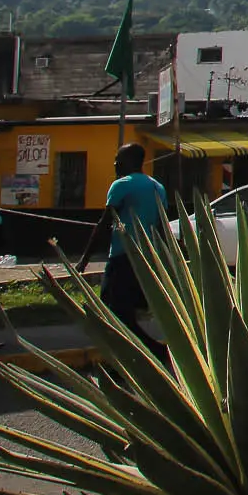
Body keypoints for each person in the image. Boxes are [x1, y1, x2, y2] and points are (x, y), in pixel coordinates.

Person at [78, 144, 169, 357]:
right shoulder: (158, 187)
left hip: (122, 258)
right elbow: (162, 227)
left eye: (118, 159)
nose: (115, 163)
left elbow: (104, 224)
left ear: (130, 161)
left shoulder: (121, 185)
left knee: (112, 312)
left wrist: (84, 260)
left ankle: (154, 351)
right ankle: (134, 356)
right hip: (147, 259)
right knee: (123, 313)